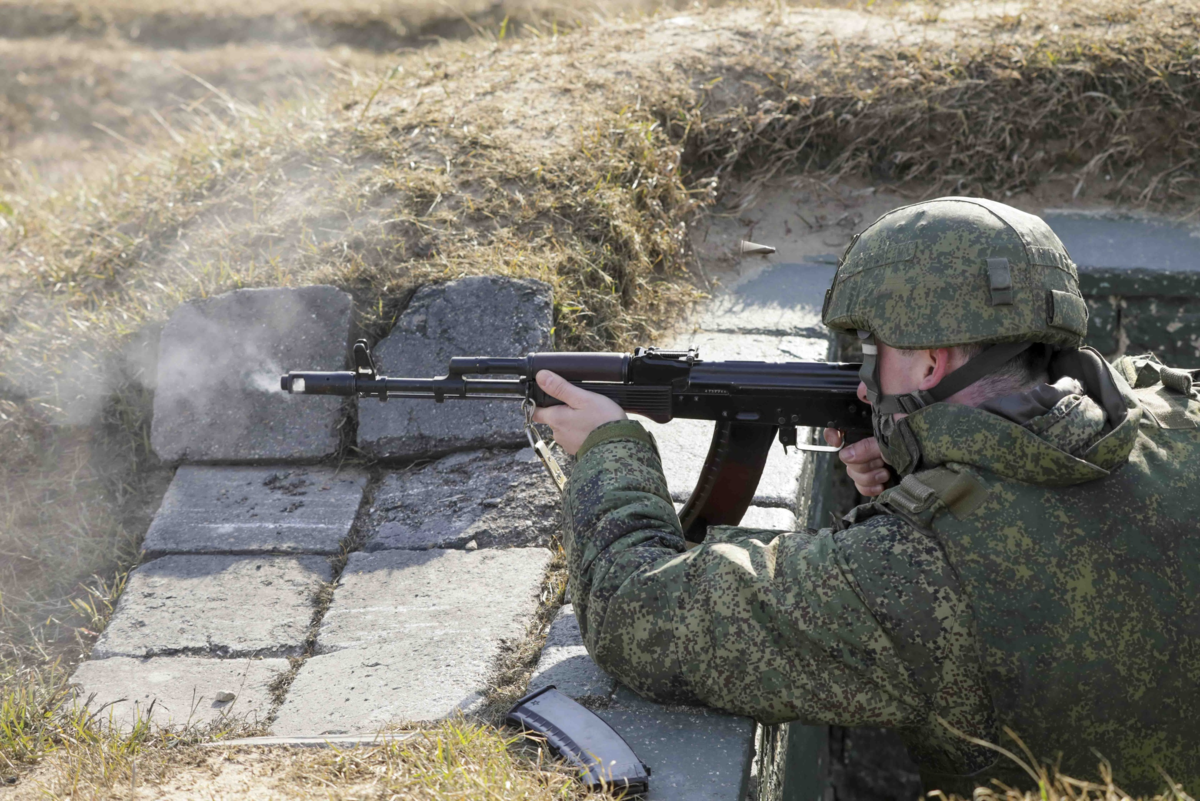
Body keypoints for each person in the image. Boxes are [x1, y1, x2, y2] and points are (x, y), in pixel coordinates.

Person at [531, 197, 1200, 797]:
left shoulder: (913, 572)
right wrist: (930, 466)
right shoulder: (1180, 417)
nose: (860, 382)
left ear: (931, 363)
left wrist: (609, 448)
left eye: (871, 348)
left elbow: (632, 609)